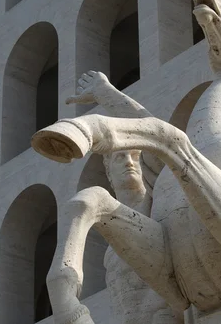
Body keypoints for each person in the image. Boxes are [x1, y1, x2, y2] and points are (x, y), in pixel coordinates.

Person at [65, 71, 181, 324]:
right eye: (120, 157)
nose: (130, 162)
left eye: (136, 156)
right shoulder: (111, 241)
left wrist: (106, 94)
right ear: (107, 169)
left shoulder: (155, 203)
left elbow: (161, 137)